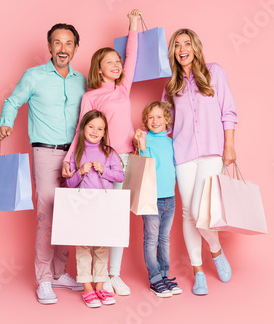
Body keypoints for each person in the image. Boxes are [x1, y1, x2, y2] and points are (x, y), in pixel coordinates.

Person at [0, 23, 86, 304]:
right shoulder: (33, 76)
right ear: (49, 47)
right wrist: (5, 124)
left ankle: (60, 274)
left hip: (76, 154)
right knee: (46, 214)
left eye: (68, 43)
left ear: (75, 47)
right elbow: (12, 102)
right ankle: (44, 279)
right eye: (57, 43)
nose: (62, 49)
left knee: (69, 213)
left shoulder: (81, 79)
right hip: (46, 153)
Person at [62, 9, 142, 296]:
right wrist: (69, 160)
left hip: (125, 160)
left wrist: (132, 25)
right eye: (111, 62)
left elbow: (132, 58)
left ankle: (113, 275)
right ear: (99, 68)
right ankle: (96, 277)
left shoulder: (123, 90)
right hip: (100, 164)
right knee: (100, 218)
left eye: (118, 61)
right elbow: (79, 132)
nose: (118, 65)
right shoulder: (90, 97)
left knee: (118, 219)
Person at [162, 28, 238, 295]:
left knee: (199, 211)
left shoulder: (214, 72)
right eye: (177, 45)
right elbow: (165, 124)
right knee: (186, 213)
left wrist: (229, 145)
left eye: (186, 43)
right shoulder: (171, 86)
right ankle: (198, 271)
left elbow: (227, 110)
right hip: (182, 156)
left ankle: (216, 252)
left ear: (195, 47)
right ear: (172, 52)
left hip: (211, 153)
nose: (182, 49)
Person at [66, 110, 125, 308]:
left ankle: (100, 285)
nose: (95, 131)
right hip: (83, 206)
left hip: (103, 207)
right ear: (83, 128)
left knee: (101, 246)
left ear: (104, 132)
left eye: (100, 128)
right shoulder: (77, 153)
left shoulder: (109, 152)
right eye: (91, 127)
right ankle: (87, 287)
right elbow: (70, 184)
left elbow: (120, 176)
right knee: (83, 246)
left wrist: (104, 170)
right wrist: (79, 172)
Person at [134, 101, 182, 298]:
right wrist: (142, 144)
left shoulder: (172, 142)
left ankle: (164, 275)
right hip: (150, 198)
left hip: (169, 199)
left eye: (159, 117)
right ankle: (154, 279)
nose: (155, 121)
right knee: (151, 239)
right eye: (151, 117)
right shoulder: (142, 138)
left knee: (164, 239)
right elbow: (146, 165)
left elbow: (175, 167)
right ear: (146, 120)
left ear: (167, 120)